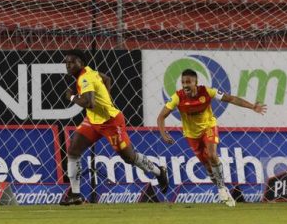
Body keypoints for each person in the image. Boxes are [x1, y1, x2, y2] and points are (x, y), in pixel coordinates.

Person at [61, 50, 169, 205]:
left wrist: (71, 96)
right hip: (93, 121)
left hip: (111, 122)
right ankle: (75, 195)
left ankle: (159, 171)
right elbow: (106, 78)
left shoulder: (85, 78)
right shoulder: (90, 72)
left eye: (72, 62)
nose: (68, 65)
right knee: (73, 151)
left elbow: (89, 103)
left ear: (81, 63)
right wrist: (106, 97)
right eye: (67, 62)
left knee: (129, 157)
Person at [156, 69, 267, 207]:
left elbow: (231, 98)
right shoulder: (177, 97)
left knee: (212, 154)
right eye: (183, 82)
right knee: (208, 167)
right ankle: (222, 188)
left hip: (209, 127)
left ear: (196, 82)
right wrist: (163, 133)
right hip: (191, 135)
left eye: (188, 82)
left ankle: (221, 188)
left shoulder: (207, 92)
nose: (185, 85)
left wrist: (252, 107)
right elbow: (161, 117)